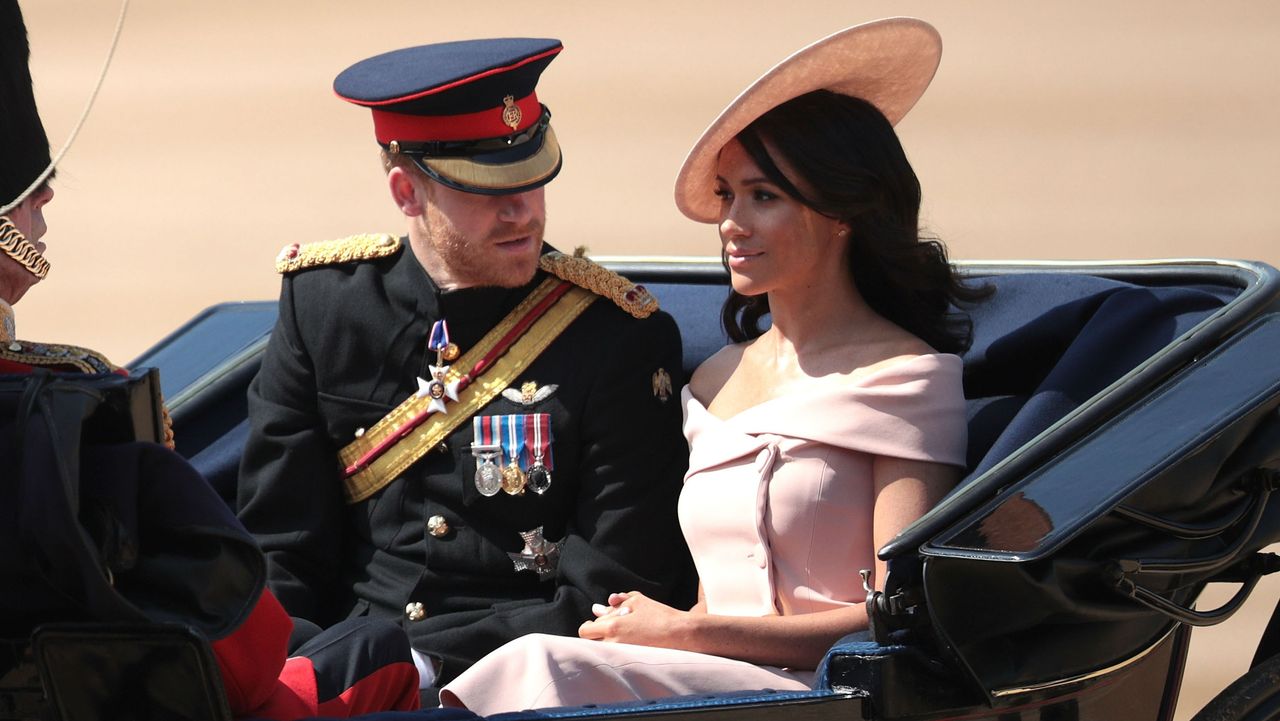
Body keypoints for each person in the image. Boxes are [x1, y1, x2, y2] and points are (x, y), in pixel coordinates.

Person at [440, 18, 986, 714]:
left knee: (541, 664)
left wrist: (687, 631)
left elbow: (897, 616)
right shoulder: (712, 381)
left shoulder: (906, 376)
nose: (731, 222)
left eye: (764, 196)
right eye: (727, 195)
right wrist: (671, 635)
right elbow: (709, 587)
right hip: (713, 683)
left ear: (844, 211)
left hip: (827, 693)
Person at [234, 37, 692, 695]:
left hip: (517, 687)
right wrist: (303, 677)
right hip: (335, 681)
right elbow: (279, 550)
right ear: (406, 191)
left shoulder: (616, 337)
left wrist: (416, 665)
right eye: (490, 189)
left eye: (534, 180)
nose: (523, 211)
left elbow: (613, 594)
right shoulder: (325, 308)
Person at [0, 3, 419, 717]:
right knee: (374, 651)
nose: (44, 214)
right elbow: (242, 653)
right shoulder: (78, 411)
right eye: (34, 202)